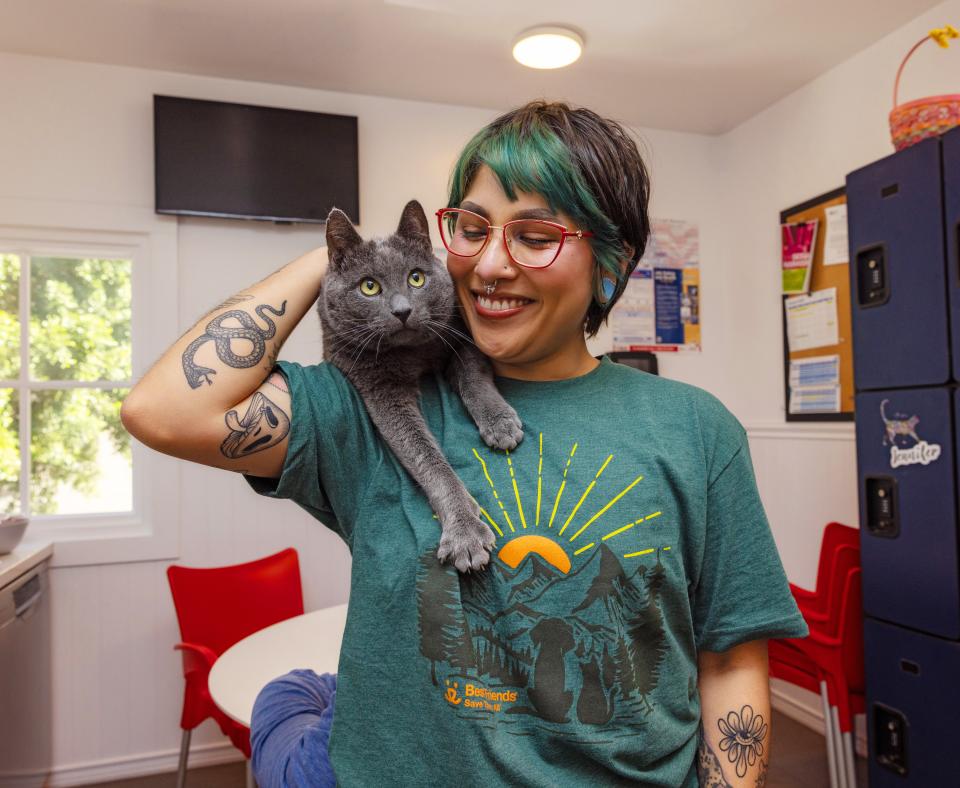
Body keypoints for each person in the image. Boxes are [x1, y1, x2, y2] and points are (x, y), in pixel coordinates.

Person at [122, 101, 807, 787]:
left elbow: (731, 661)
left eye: (535, 235)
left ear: (611, 262)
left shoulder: (696, 430)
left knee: (300, 696)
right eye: (473, 228)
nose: (492, 263)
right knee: (293, 701)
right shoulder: (361, 405)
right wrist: (343, 259)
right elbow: (162, 410)